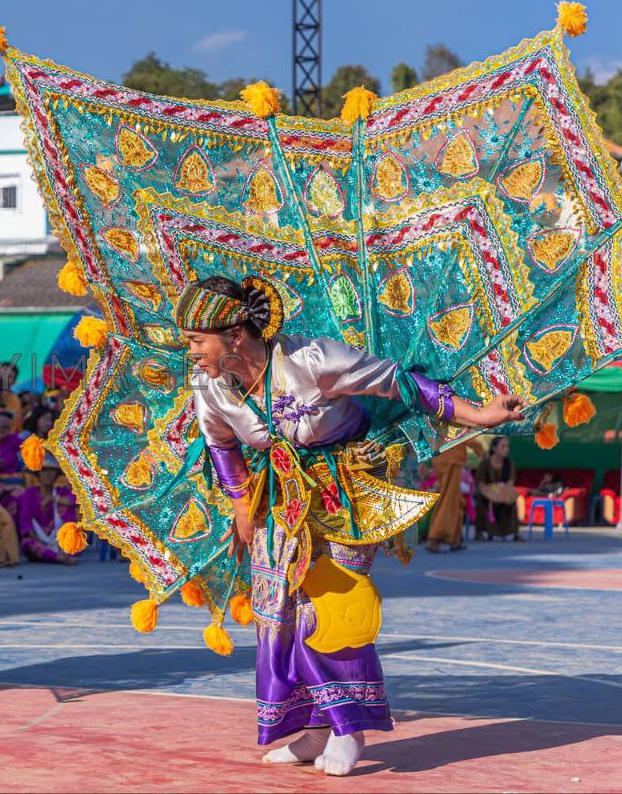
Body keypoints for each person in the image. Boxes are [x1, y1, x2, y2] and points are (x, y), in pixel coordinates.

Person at [181, 276, 521, 775]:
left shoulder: (311, 361)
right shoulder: (209, 386)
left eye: (195, 341)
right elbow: (220, 445)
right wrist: (238, 505)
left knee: (333, 607)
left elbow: (400, 382)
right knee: (278, 612)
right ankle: (314, 729)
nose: (189, 352)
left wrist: (476, 414)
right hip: (279, 500)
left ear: (235, 334)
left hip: (343, 494)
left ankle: (347, 726)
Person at [17, 454, 79, 564]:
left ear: (56, 475)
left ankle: (63, 552)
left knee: (66, 507)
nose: (48, 475)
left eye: (52, 471)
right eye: (44, 471)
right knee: (27, 543)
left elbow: (75, 502)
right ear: (38, 474)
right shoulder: (28, 494)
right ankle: (58, 557)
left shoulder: (62, 492)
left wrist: (54, 499)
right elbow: (25, 523)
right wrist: (40, 542)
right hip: (38, 541)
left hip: (60, 540)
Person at [426, 443, 470, 553]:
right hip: (451, 458)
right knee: (448, 500)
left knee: (455, 500)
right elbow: (465, 430)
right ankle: (435, 537)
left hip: (442, 455)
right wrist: (479, 449)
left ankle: (456, 539)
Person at [475, 437, 521, 542]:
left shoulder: (509, 464)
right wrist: (491, 492)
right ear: (495, 448)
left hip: (503, 491)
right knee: (482, 500)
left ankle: (515, 533)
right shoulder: (485, 464)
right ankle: (480, 531)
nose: (506, 449)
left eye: (507, 446)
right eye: (503, 446)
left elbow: (510, 482)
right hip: (487, 492)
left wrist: (503, 492)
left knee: (512, 500)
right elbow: (481, 483)